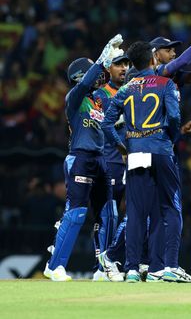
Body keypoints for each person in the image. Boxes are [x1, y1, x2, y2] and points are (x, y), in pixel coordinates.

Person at [102, 41, 191, 283]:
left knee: (136, 212)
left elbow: (107, 123)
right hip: (160, 149)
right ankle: (164, 267)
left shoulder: (126, 89)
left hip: (135, 152)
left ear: (132, 64)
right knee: (169, 208)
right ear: (153, 60)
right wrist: (172, 138)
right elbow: (173, 116)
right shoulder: (166, 84)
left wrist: (123, 147)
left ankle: (131, 269)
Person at [44, 35, 123, 281]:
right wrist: (101, 60)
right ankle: (55, 266)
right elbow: (84, 84)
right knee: (77, 213)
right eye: (91, 72)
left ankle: (102, 268)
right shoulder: (75, 98)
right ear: (81, 75)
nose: (98, 76)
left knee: (108, 214)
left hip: (100, 159)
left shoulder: (97, 101)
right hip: (80, 158)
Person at [92, 52, 130, 281]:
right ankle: (100, 267)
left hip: (132, 160)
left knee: (131, 214)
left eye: (126, 63)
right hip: (109, 160)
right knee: (107, 215)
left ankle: (117, 262)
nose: (124, 68)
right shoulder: (100, 95)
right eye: (118, 64)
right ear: (108, 67)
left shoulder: (132, 91)